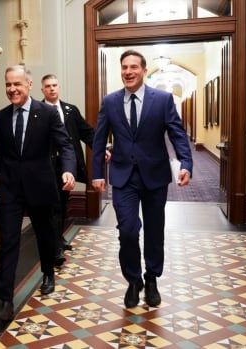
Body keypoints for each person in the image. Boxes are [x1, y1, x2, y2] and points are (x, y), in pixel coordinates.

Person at [91, 50, 193, 308]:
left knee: (154, 230)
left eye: (133, 67)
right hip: (123, 176)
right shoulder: (110, 101)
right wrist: (96, 174)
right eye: (124, 67)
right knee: (127, 230)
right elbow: (99, 139)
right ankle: (133, 280)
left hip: (155, 176)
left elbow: (177, 133)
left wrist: (186, 163)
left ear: (144, 70)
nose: (128, 71)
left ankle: (152, 278)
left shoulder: (163, 100)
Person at [0, 65, 76, 321]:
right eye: (7, 85)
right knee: (8, 242)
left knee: (45, 235)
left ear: (29, 85)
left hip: (41, 185)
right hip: (10, 189)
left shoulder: (46, 113)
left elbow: (65, 145)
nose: (12, 89)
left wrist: (68, 171)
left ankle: (48, 272)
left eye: (17, 84)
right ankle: (5, 300)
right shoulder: (1, 117)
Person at [40, 74, 95, 266]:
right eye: (48, 86)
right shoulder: (37, 111)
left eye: (55, 85)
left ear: (59, 87)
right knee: (52, 206)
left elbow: (87, 132)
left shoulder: (70, 110)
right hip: (47, 166)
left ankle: (59, 237)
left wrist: (101, 148)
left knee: (63, 203)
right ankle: (55, 247)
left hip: (67, 165)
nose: (52, 89)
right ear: (42, 90)